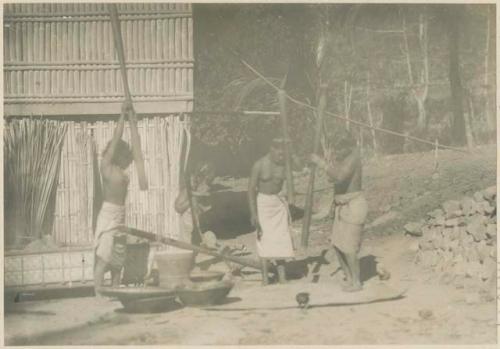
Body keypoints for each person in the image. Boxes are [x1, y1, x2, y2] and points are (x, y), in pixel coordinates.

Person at [310, 132, 368, 292]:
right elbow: (333, 179)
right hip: (341, 206)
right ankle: (349, 277)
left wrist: (321, 163)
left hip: (354, 206)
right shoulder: (343, 158)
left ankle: (357, 282)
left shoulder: (354, 157)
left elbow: (340, 176)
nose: (337, 153)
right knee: (337, 245)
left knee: (349, 248)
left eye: (339, 150)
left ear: (348, 147)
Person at [93, 101, 139, 296]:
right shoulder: (106, 167)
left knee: (118, 259)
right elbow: (116, 138)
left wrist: (132, 119)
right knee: (104, 256)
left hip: (120, 215)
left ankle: (116, 291)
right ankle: (97, 292)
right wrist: (122, 115)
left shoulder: (121, 170)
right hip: (108, 213)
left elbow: (137, 150)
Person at [248, 138, 299, 285]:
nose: (281, 156)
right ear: (271, 149)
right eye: (278, 152)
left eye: (283, 153)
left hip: (278, 203)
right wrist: (253, 213)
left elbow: (299, 167)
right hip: (263, 203)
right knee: (264, 239)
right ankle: (265, 278)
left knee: (280, 240)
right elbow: (251, 190)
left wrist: (293, 151)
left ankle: (282, 277)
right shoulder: (259, 165)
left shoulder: (285, 164)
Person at [175, 161, 216, 246]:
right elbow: (177, 207)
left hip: (197, 227)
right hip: (187, 226)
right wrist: (191, 200)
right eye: (193, 181)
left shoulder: (203, 190)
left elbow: (206, 206)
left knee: (208, 239)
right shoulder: (187, 192)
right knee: (187, 244)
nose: (196, 182)